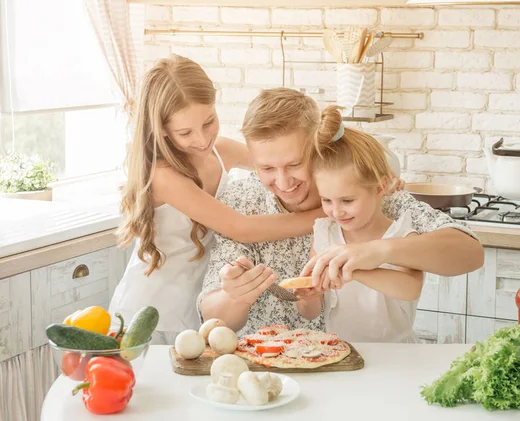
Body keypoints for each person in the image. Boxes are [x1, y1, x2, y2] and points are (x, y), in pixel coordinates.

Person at [198, 88, 484, 337]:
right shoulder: (242, 202)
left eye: (295, 164)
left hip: (361, 365)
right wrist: (235, 295)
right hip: (267, 366)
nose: (283, 183)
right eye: (267, 169)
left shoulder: (371, 196)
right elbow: (213, 317)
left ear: (320, 149)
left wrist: (379, 251)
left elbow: (469, 253)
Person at [108, 55, 323, 344]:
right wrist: (324, 215)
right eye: (185, 132)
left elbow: (279, 161)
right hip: (153, 309)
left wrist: (371, 177)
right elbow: (240, 228)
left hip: (202, 301)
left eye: (209, 121)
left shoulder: (220, 151)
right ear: (162, 130)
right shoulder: (162, 175)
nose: (201, 139)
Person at [295, 106, 424, 343]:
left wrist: (353, 270)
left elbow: (411, 288)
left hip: (399, 357)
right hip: (341, 353)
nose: (336, 211)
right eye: (326, 200)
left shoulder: (402, 234)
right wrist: (308, 297)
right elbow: (310, 313)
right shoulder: (325, 233)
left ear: (380, 187)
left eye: (347, 200)